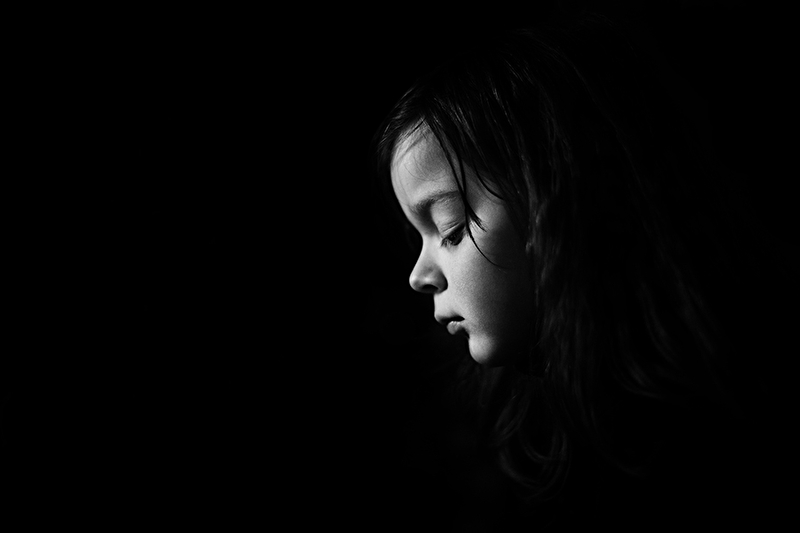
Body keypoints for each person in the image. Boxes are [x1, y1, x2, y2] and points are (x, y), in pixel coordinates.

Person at [372, 8, 797, 530]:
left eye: (451, 228)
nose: (419, 275)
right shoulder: (538, 440)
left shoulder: (715, 436)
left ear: (555, 202)